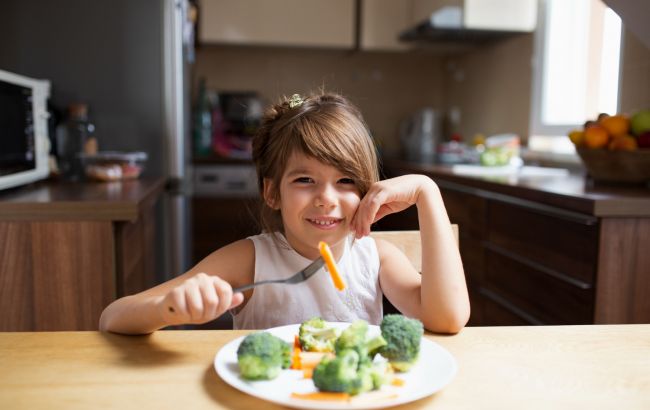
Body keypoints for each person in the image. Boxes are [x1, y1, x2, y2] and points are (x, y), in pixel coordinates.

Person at [99, 92, 470, 334]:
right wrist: (169, 308)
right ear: (272, 192)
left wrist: (427, 192)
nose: (326, 199)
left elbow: (447, 319)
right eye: (305, 180)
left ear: (367, 192)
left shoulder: (377, 258)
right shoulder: (250, 260)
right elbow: (113, 317)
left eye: (344, 181)